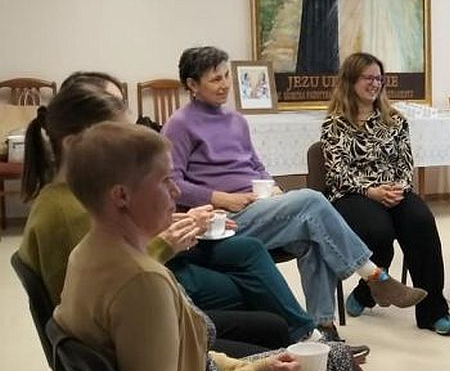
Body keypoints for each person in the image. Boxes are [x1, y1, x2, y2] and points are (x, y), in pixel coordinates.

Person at [53, 121, 408, 371]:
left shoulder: (85, 255)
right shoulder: (142, 281)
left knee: (334, 361)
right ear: (121, 196)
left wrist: (250, 369)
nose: (176, 192)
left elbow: (186, 361)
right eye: (164, 181)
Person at [17, 72, 319, 356]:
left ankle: (303, 335)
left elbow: (122, 243)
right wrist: (167, 242)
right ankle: (300, 338)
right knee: (253, 292)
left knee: (248, 255)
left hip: (145, 303)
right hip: (140, 325)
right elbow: (112, 283)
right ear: (73, 143)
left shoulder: (82, 194)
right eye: (116, 134)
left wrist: (176, 224)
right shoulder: (70, 211)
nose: (128, 144)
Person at [162, 46, 426, 336]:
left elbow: (255, 166)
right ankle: (374, 276)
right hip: (219, 221)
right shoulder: (179, 125)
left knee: (313, 239)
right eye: (215, 79)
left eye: (226, 76)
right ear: (192, 84)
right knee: (312, 201)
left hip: (255, 208)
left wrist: (273, 187)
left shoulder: (236, 120)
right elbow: (172, 184)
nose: (225, 84)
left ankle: (323, 328)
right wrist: (222, 198)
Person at [321, 52, 450, 335]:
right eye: (368, 78)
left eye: (379, 78)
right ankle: (369, 291)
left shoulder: (395, 120)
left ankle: (433, 311)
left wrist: (396, 189)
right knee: (379, 231)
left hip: (393, 190)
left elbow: (406, 164)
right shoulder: (334, 124)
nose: (375, 83)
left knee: (420, 221)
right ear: (350, 80)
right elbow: (337, 172)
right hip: (353, 194)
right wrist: (370, 191)